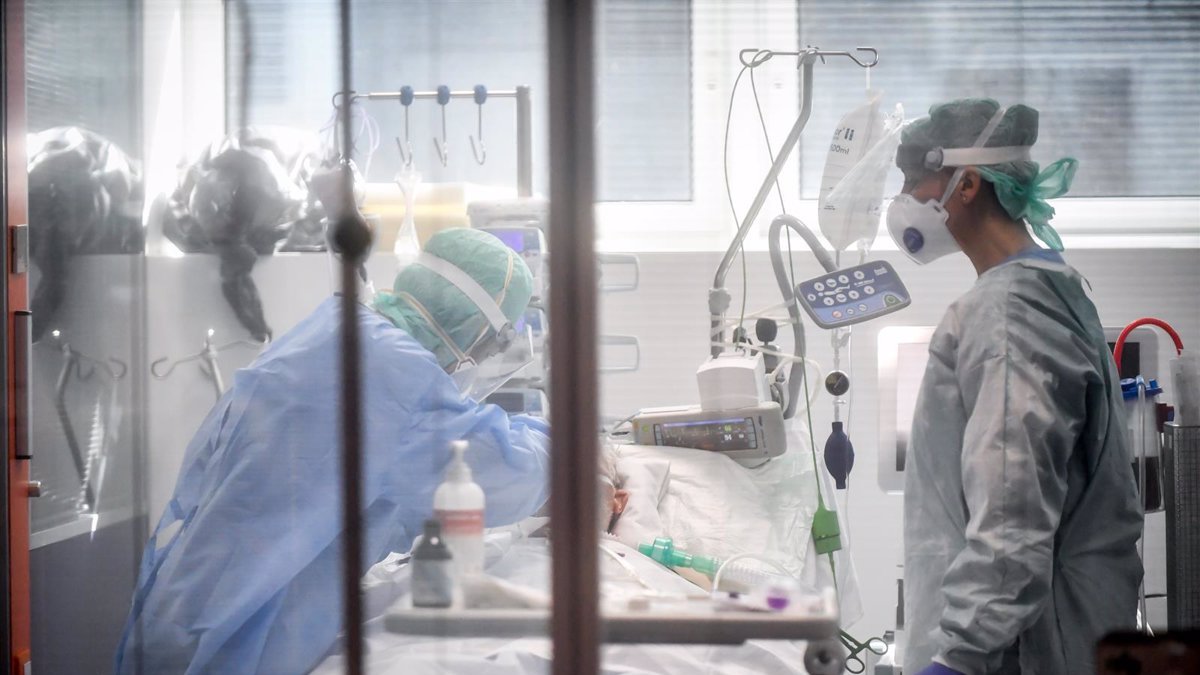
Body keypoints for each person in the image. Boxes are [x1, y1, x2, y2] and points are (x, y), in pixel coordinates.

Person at [115, 228, 551, 674]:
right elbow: (505, 471)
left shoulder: (340, 332)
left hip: (185, 607)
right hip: (240, 641)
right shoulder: (397, 382)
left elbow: (372, 499)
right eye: (490, 345)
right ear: (474, 330)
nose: (479, 361)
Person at [887, 99, 1142, 675]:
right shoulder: (1048, 284)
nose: (903, 199)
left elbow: (1011, 515)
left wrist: (958, 657)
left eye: (911, 179)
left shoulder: (1007, 315)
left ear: (967, 183)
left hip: (1020, 651)